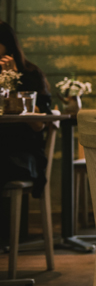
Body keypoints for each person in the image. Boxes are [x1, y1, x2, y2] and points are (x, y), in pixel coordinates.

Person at [0, 20, 53, 202]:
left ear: (7, 45)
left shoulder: (30, 75)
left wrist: (11, 83)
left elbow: (39, 124)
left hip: (21, 153)